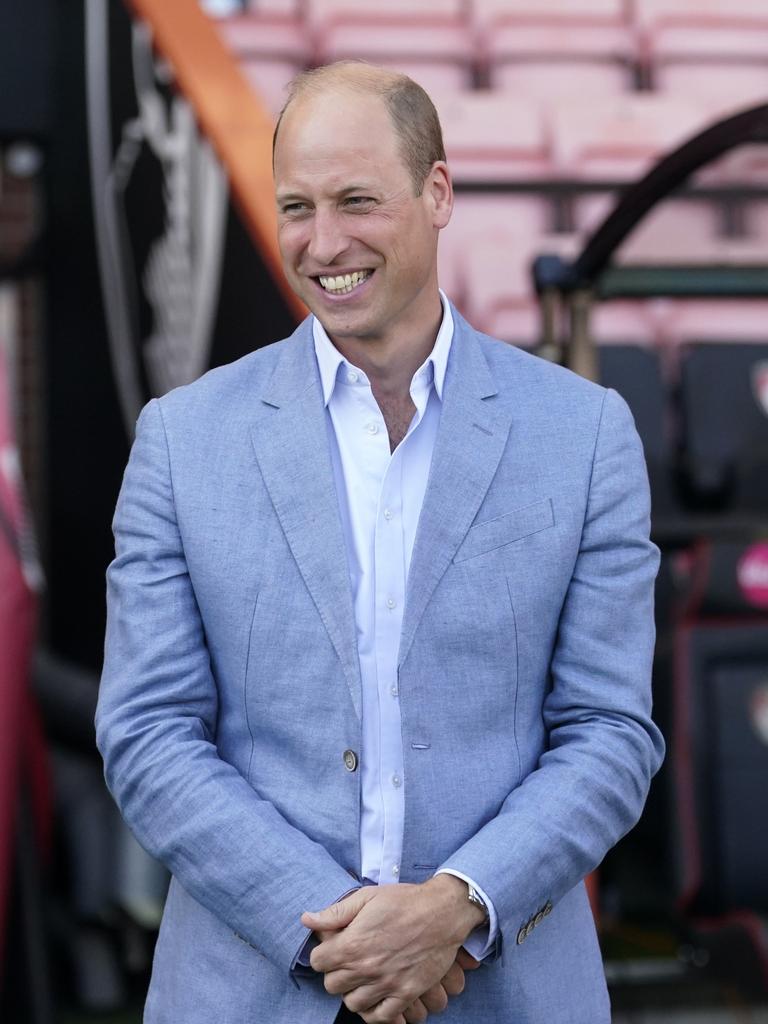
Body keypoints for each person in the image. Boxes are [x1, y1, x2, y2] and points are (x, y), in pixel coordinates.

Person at [96, 61, 665, 1024]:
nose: (324, 244)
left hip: (507, 993)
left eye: (357, 200)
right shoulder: (182, 440)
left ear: (437, 191)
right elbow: (148, 733)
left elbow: (611, 733)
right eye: (296, 207)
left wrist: (456, 909)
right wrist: (343, 934)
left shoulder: (586, 432)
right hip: (252, 993)